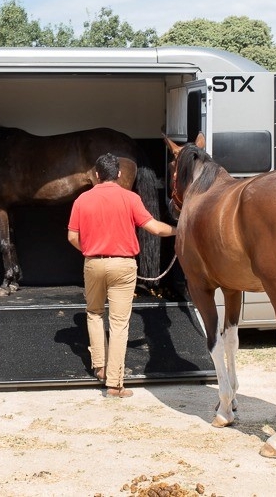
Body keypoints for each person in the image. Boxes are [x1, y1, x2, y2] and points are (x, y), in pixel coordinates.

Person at [67, 153, 176, 398]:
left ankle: (100, 367)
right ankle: (115, 384)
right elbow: (155, 228)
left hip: (94, 263)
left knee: (94, 314)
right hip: (123, 266)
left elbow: (72, 237)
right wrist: (180, 229)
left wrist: (89, 250)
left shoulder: (82, 200)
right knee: (119, 324)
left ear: (96, 175)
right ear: (118, 174)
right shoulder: (130, 198)